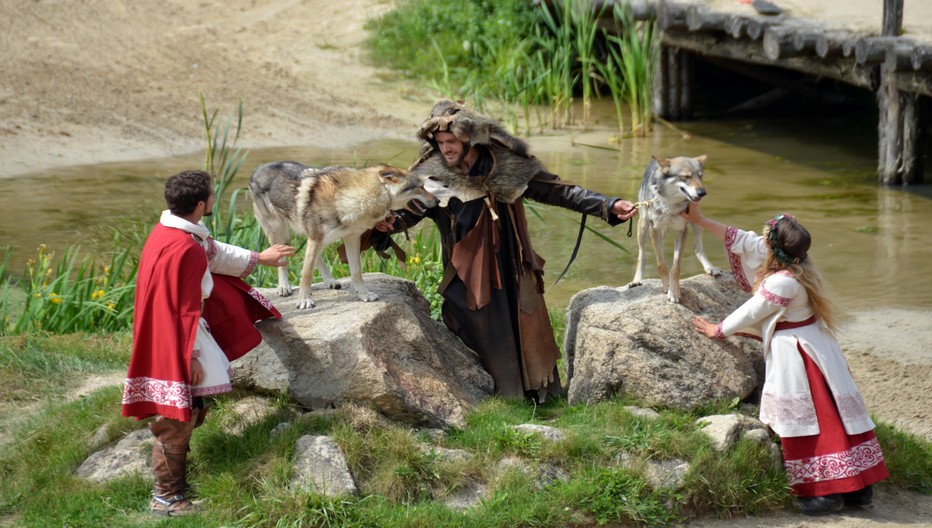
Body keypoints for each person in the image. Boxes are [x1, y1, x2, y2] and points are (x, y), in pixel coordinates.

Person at [374, 100, 637, 402]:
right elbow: (409, 211)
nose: (445, 148)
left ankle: (535, 396)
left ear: (469, 138)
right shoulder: (429, 175)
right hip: (466, 274)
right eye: (440, 142)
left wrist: (607, 205)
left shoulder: (507, 164)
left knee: (523, 324)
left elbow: (558, 190)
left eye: (452, 141)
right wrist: (388, 225)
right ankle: (489, 400)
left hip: (513, 264)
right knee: (477, 333)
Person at [685, 203, 888, 516]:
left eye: (766, 237)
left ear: (772, 246)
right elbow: (743, 239)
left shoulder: (783, 281)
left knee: (812, 419)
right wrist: (700, 220)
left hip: (798, 352)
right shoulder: (800, 266)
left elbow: (751, 312)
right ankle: (859, 488)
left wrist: (718, 329)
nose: (760, 239)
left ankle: (826, 493)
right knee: (839, 414)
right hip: (817, 345)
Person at [121, 169, 295, 516]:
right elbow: (181, 312)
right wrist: (190, 358)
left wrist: (260, 258)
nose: (215, 198)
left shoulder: (173, 232)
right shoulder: (183, 248)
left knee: (193, 410)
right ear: (201, 204)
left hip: (172, 334)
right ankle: (166, 498)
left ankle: (173, 485)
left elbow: (214, 253)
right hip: (178, 339)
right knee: (177, 419)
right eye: (212, 195)